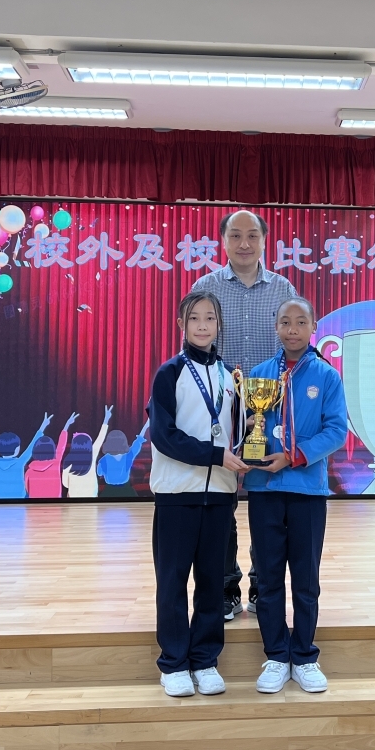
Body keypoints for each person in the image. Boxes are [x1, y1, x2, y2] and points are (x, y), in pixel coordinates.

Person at [192, 209, 298, 621]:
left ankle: (261, 585)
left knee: (268, 503)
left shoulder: (283, 288)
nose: (244, 243)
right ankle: (226, 589)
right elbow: (194, 347)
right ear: (223, 241)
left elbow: (295, 345)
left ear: (264, 240)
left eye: (252, 235)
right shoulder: (206, 287)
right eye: (235, 235)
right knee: (221, 502)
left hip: (272, 411)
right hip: (219, 409)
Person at [243, 297, 347, 694]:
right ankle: (275, 655)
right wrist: (247, 436)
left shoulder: (327, 376)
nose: (292, 329)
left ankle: (303, 656)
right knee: (268, 578)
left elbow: (336, 431)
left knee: (305, 580)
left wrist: (293, 456)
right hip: (264, 490)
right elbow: (246, 426)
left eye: (300, 322)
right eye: (285, 321)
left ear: (313, 326)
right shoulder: (258, 376)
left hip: (307, 491)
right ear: (276, 327)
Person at [148, 291, 249, 698]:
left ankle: (205, 660)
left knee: (211, 582)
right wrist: (215, 455)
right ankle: (173, 664)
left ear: (219, 324)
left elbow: (237, 430)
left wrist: (248, 441)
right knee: (172, 582)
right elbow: (163, 435)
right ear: (181, 325)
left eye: (210, 318)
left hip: (220, 495)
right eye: (194, 318)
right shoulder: (169, 373)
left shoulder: (230, 377)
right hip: (177, 494)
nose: (203, 325)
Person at [0, 413, 52, 499]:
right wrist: (43, 427)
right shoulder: (19, 462)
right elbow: (30, 448)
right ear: (17, 449)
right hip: (20, 502)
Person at [62, 406, 113, 498]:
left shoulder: (68, 460)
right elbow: (100, 439)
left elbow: (65, 484)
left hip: (73, 498)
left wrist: (67, 425)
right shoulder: (92, 455)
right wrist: (106, 419)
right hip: (91, 497)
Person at [25, 412, 78, 498]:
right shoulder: (55, 463)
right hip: (55, 505)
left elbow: (27, 489)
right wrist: (66, 425)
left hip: (35, 506)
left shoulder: (29, 471)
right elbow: (61, 445)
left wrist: (42, 427)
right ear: (52, 450)